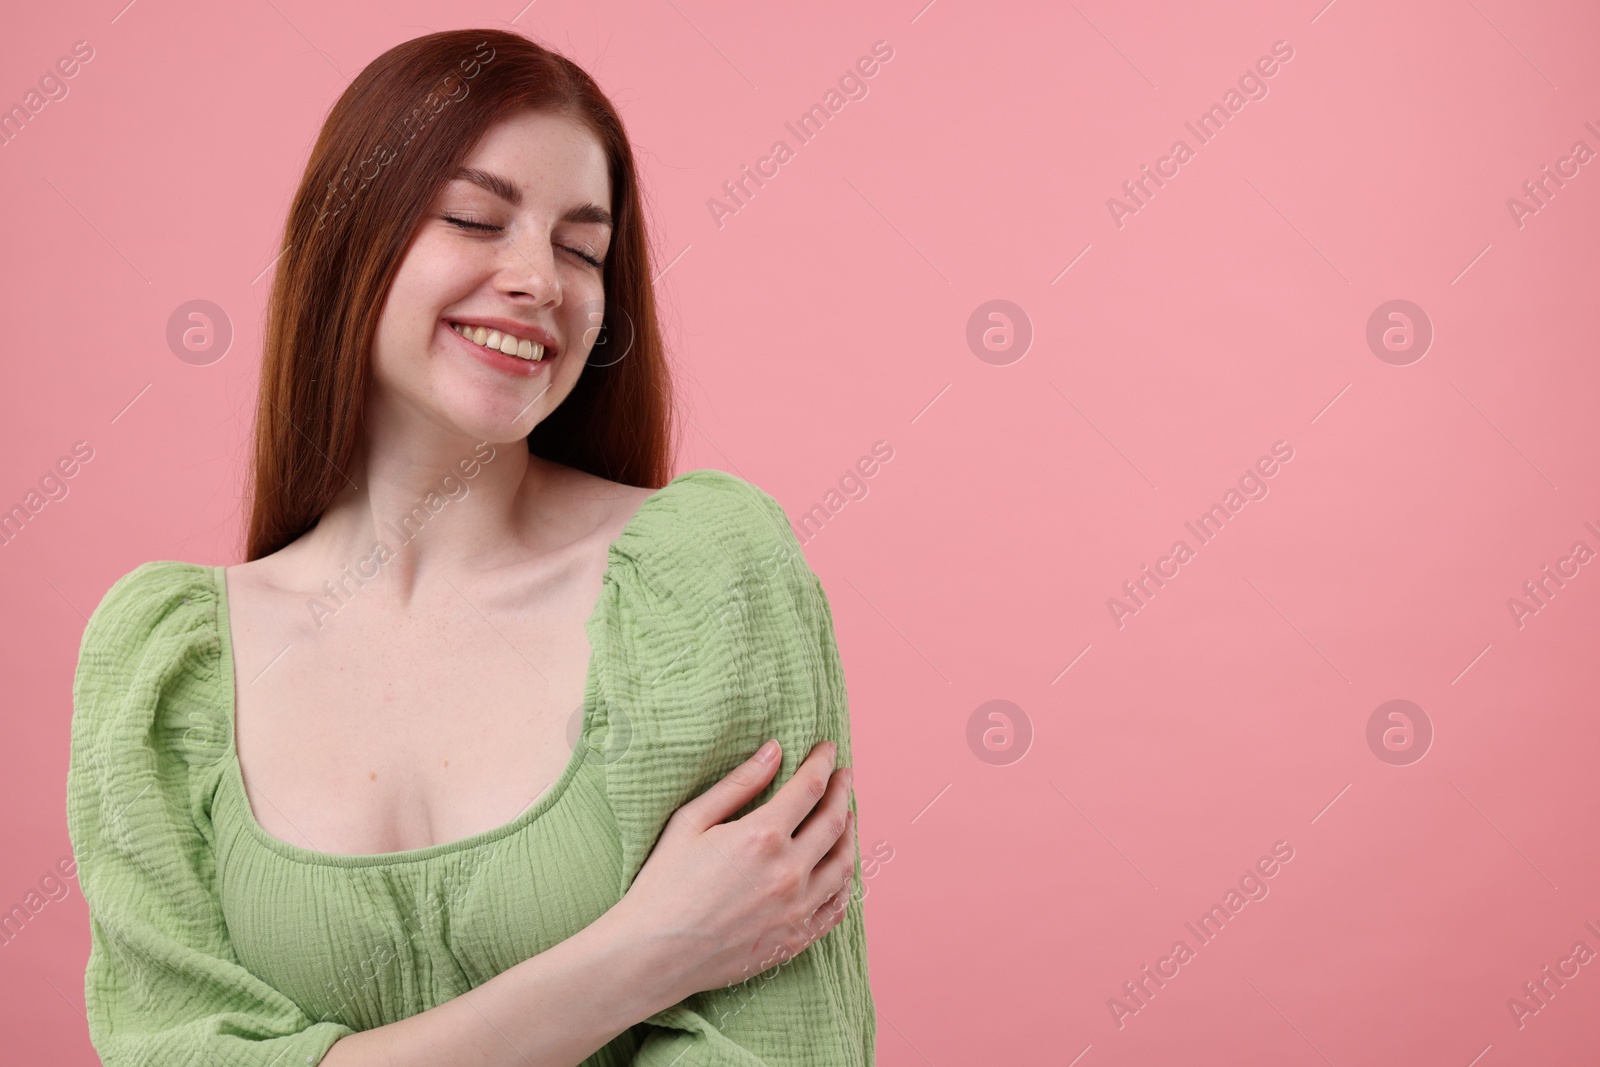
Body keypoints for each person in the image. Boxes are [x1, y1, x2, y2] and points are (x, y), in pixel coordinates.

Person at [65, 27, 874, 1066]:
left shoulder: (709, 580)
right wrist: (641, 952)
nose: (538, 279)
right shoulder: (162, 664)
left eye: (581, 249)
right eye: (475, 220)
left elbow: (783, 1045)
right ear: (349, 238)